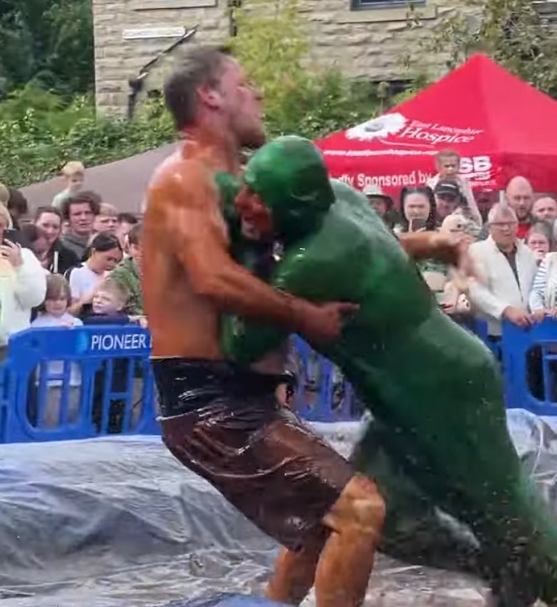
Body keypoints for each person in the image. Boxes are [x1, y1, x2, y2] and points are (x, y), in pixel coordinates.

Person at [221, 135, 557, 607]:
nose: (241, 201)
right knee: (382, 516)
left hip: (441, 391)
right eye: (245, 188)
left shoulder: (314, 263)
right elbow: (386, 247)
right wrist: (434, 241)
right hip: (417, 390)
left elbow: (240, 343)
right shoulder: (340, 197)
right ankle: (504, 570)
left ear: (298, 203)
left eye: (257, 196)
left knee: (520, 533)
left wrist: (235, 246)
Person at [140, 47, 381, 607]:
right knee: (360, 509)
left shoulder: (245, 184)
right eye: (246, 84)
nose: (260, 96)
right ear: (211, 97)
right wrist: (306, 316)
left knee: (320, 525)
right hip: (207, 401)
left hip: (248, 395)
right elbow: (214, 280)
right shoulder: (183, 178)